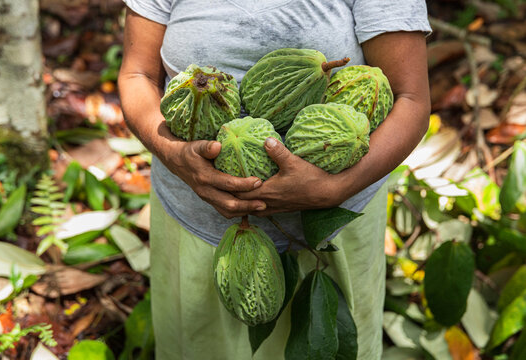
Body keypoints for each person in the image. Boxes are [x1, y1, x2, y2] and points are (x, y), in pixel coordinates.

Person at [118, 1, 431, 359]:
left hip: (329, 239)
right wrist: (174, 155)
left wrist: (334, 189)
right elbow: (136, 75)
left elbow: (411, 99)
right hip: (195, 227)